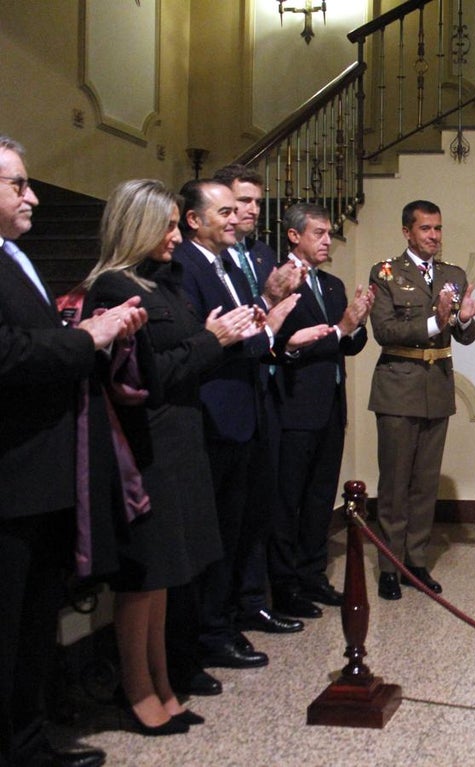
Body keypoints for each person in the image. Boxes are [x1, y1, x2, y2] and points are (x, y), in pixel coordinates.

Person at [82, 179, 260, 736]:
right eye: (164, 225)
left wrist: (208, 340)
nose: (173, 235)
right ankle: (137, 691)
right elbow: (147, 378)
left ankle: (163, 682)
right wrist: (214, 341)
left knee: (167, 575)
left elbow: (175, 355)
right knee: (144, 577)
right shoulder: (113, 287)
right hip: (145, 444)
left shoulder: (158, 283)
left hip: (178, 439)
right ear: (137, 227)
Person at [0, 136, 146, 767]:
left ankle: (29, 741)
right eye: (18, 185)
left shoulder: (14, 256)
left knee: (34, 619)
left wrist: (96, 337)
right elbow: (7, 354)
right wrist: (86, 337)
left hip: (40, 470)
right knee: (9, 625)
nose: (32, 195)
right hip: (11, 473)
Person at [170, 179, 314, 678]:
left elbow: (247, 330)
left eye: (238, 211)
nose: (236, 219)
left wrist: (266, 324)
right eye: (225, 211)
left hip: (245, 409)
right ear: (194, 220)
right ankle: (209, 631)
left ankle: (227, 618)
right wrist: (268, 326)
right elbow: (206, 341)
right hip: (213, 412)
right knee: (216, 534)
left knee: (240, 526)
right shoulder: (185, 266)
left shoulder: (231, 262)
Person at [368, 200, 475, 600]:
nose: (434, 236)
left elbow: (464, 335)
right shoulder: (385, 273)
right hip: (398, 386)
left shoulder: (453, 274)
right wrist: (437, 320)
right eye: (425, 229)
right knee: (395, 482)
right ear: (407, 232)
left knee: (424, 483)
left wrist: (465, 318)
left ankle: (415, 561)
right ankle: (389, 564)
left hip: (437, 386)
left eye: (438, 229)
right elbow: (385, 330)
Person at [212, 164, 311, 633]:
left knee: (260, 501)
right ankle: (233, 607)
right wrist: (269, 299)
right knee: (233, 509)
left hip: (265, 382)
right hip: (232, 386)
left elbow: (270, 319)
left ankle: (254, 600)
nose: (250, 210)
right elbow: (243, 319)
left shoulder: (261, 251)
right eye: (239, 202)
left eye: (255, 201)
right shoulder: (218, 257)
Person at [270, 203, 372, 612]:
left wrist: (358, 323)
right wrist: (341, 329)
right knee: (288, 499)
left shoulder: (330, 285)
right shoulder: (279, 282)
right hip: (294, 405)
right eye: (318, 233)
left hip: (330, 406)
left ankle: (313, 575)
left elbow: (347, 344)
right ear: (294, 236)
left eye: (330, 233)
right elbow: (286, 343)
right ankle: (285, 585)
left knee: (319, 498)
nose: (328, 240)